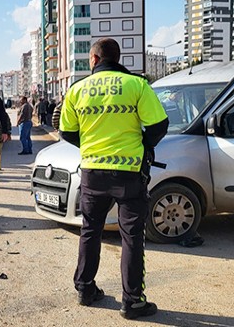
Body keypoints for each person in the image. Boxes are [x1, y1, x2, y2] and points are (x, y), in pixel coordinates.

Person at [59, 38, 168, 320]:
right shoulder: (136, 85)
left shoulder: (77, 90)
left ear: (94, 60)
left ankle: (85, 288)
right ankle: (132, 302)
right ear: (118, 58)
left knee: (90, 230)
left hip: (93, 173)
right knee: (132, 236)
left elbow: (67, 132)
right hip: (129, 173)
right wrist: (144, 146)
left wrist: (91, 145)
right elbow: (159, 125)